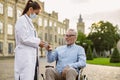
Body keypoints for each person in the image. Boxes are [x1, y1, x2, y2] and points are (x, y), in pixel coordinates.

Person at [14, 0, 45, 80]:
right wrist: (38, 42)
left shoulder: (29, 22)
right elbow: (23, 38)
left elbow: (31, 38)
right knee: (25, 76)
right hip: (25, 58)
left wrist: (41, 42)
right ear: (30, 9)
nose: (36, 16)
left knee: (32, 76)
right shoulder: (21, 20)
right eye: (36, 13)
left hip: (32, 58)